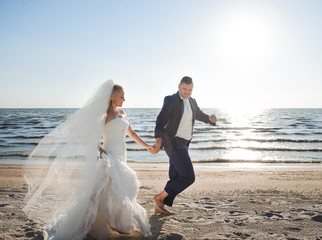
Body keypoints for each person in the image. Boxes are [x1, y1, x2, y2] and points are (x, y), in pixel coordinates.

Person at [23, 80, 152, 239]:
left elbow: (131, 134)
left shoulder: (122, 114)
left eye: (124, 97)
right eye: (121, 97)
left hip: (122, 156)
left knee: (115, 189)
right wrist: (98, 149)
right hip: (109, 157)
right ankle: (93, 224)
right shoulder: (103, 116)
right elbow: (87, 135)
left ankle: (116, 222)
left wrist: (147, 146)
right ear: (112, 97)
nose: (124, 100)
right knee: (104, 190)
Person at [152, 76, 217, 215]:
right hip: (173, 142)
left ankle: (160, 205)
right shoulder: (171, 100)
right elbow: (160, 121)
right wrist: (158, 142)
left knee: (176, 176)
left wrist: (210, 120)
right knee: (188, 177)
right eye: (184, 89)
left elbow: (198, 114)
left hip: (184, 143)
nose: (187, 92)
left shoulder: (192, 101)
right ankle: (159, 197)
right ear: (179, 86)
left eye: (190, 89)